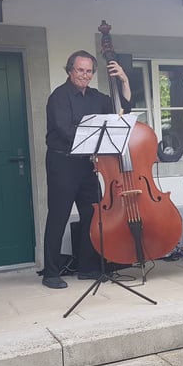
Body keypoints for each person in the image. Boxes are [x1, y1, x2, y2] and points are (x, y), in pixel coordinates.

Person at [41, 50, 132, 289]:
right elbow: (65, 130)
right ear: (70, 70)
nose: (85, 75)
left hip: (87, 164)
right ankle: (50, 273)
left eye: (89, 71)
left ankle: (87, 267)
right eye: (80, 70)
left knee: (93, 215)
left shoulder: (95, 97)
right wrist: (92, 137)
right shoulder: (59, 96)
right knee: (58, 217)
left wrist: (124, 80)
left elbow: (122, 110)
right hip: (62, 163)